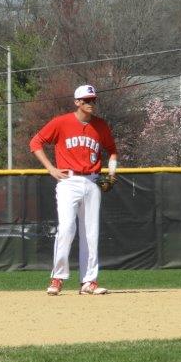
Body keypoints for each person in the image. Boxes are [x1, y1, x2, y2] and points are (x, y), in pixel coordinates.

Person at [29, 84, 117, 296]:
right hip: (68, 181)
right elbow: (35, 142)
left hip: (92, 181)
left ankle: (88, 282)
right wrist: (50, 168)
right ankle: (58, 277)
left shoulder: (100, 126)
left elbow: (112, 151)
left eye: (93, 100)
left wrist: (112, 174)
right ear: (77, 102)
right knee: (67, 228)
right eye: (86, 100)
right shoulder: (61, 122)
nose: (90, 104)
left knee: (91, 233)